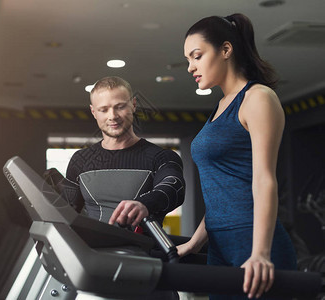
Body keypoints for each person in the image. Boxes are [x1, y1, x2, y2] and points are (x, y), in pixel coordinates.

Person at [177, 13, 297, 299]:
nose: (191, 67)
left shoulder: (258, 98)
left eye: (197, 56)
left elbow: (264, 180)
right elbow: (223, 189)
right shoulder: (220, 106)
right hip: (219, 247)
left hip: (252, 244)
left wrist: (260, 253)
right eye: (188, 60)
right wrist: (195, 243)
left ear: (226, 50)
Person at [61, 76, 185, 299]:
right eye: (104, 109)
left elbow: (173, 187)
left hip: (146, 273)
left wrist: (144, 204)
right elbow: (64, 213)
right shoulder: (80, 161)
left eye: (120, 106)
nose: (113, 116)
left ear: (134, 105)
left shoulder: (160, 157)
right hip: (96, 273)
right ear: (93, 112)